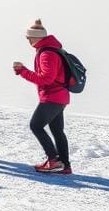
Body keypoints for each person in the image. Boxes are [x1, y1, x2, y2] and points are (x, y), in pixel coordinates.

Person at [14, 18, 71, 174]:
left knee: (36, 125)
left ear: (37, 37)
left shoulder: (47, 53)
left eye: (29, 37)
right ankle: (65, 165)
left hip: (52, 96)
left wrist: (23, 71)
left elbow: (46, 79)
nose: (28, 40)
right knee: (57, 130)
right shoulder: (52, 49)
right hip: (60, 96)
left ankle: (54, 160)